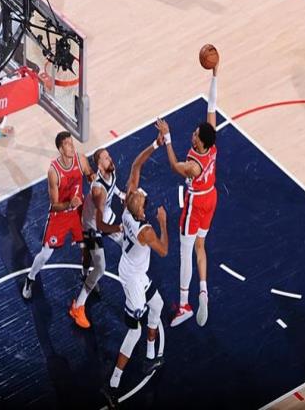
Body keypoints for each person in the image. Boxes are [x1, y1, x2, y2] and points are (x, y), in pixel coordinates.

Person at [102, 137, 168, 409]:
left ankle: (151, 356)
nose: (143, 196)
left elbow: (135, 166)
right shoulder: (147, 231)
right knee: (134, 332)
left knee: (158, 305)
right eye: (143, 199)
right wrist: (163, 223)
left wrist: (156, 144)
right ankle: (113, 384)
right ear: (140, 208)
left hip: (134, 269)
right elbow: (164, 250)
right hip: (131, 278)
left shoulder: (128, 208)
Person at [156, 64, 218, 328]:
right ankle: (203, 289)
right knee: (200, 246)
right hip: (211, 198)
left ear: (199, 142)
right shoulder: (212, 145)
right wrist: (215, 75)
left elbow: (174, 166)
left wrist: (167, 137)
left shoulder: (193, 165)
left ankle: (184, 305)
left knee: (185, 252)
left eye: (195, 134)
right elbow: (212, 106)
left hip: (196, 204)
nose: (192, 134)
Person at [22, 131, 95, 299]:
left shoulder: (80, 159)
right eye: (67, 144)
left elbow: (89, 174)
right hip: (60, 215)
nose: (72, 146)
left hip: (79, 213)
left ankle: (85, 274)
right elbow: (54, 205)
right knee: (45, 254)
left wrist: (93, 179)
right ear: (61, 149)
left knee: (87, 249)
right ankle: (30, 278)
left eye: (72, 143)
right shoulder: (53, 171)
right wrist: (69, 204)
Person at [69, 147, 125, 328]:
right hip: (92, 226)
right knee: (100, 267)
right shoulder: (98, 190)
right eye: (106, 158)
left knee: (124, 244)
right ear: (100, 166)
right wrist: (118, 227)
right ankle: (77, 307)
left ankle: (86, 274)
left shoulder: (111, 172)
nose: (111, 159)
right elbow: (100, 226)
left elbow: (113, 186)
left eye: (109, 155)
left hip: (102, 217)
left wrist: (122, 195)